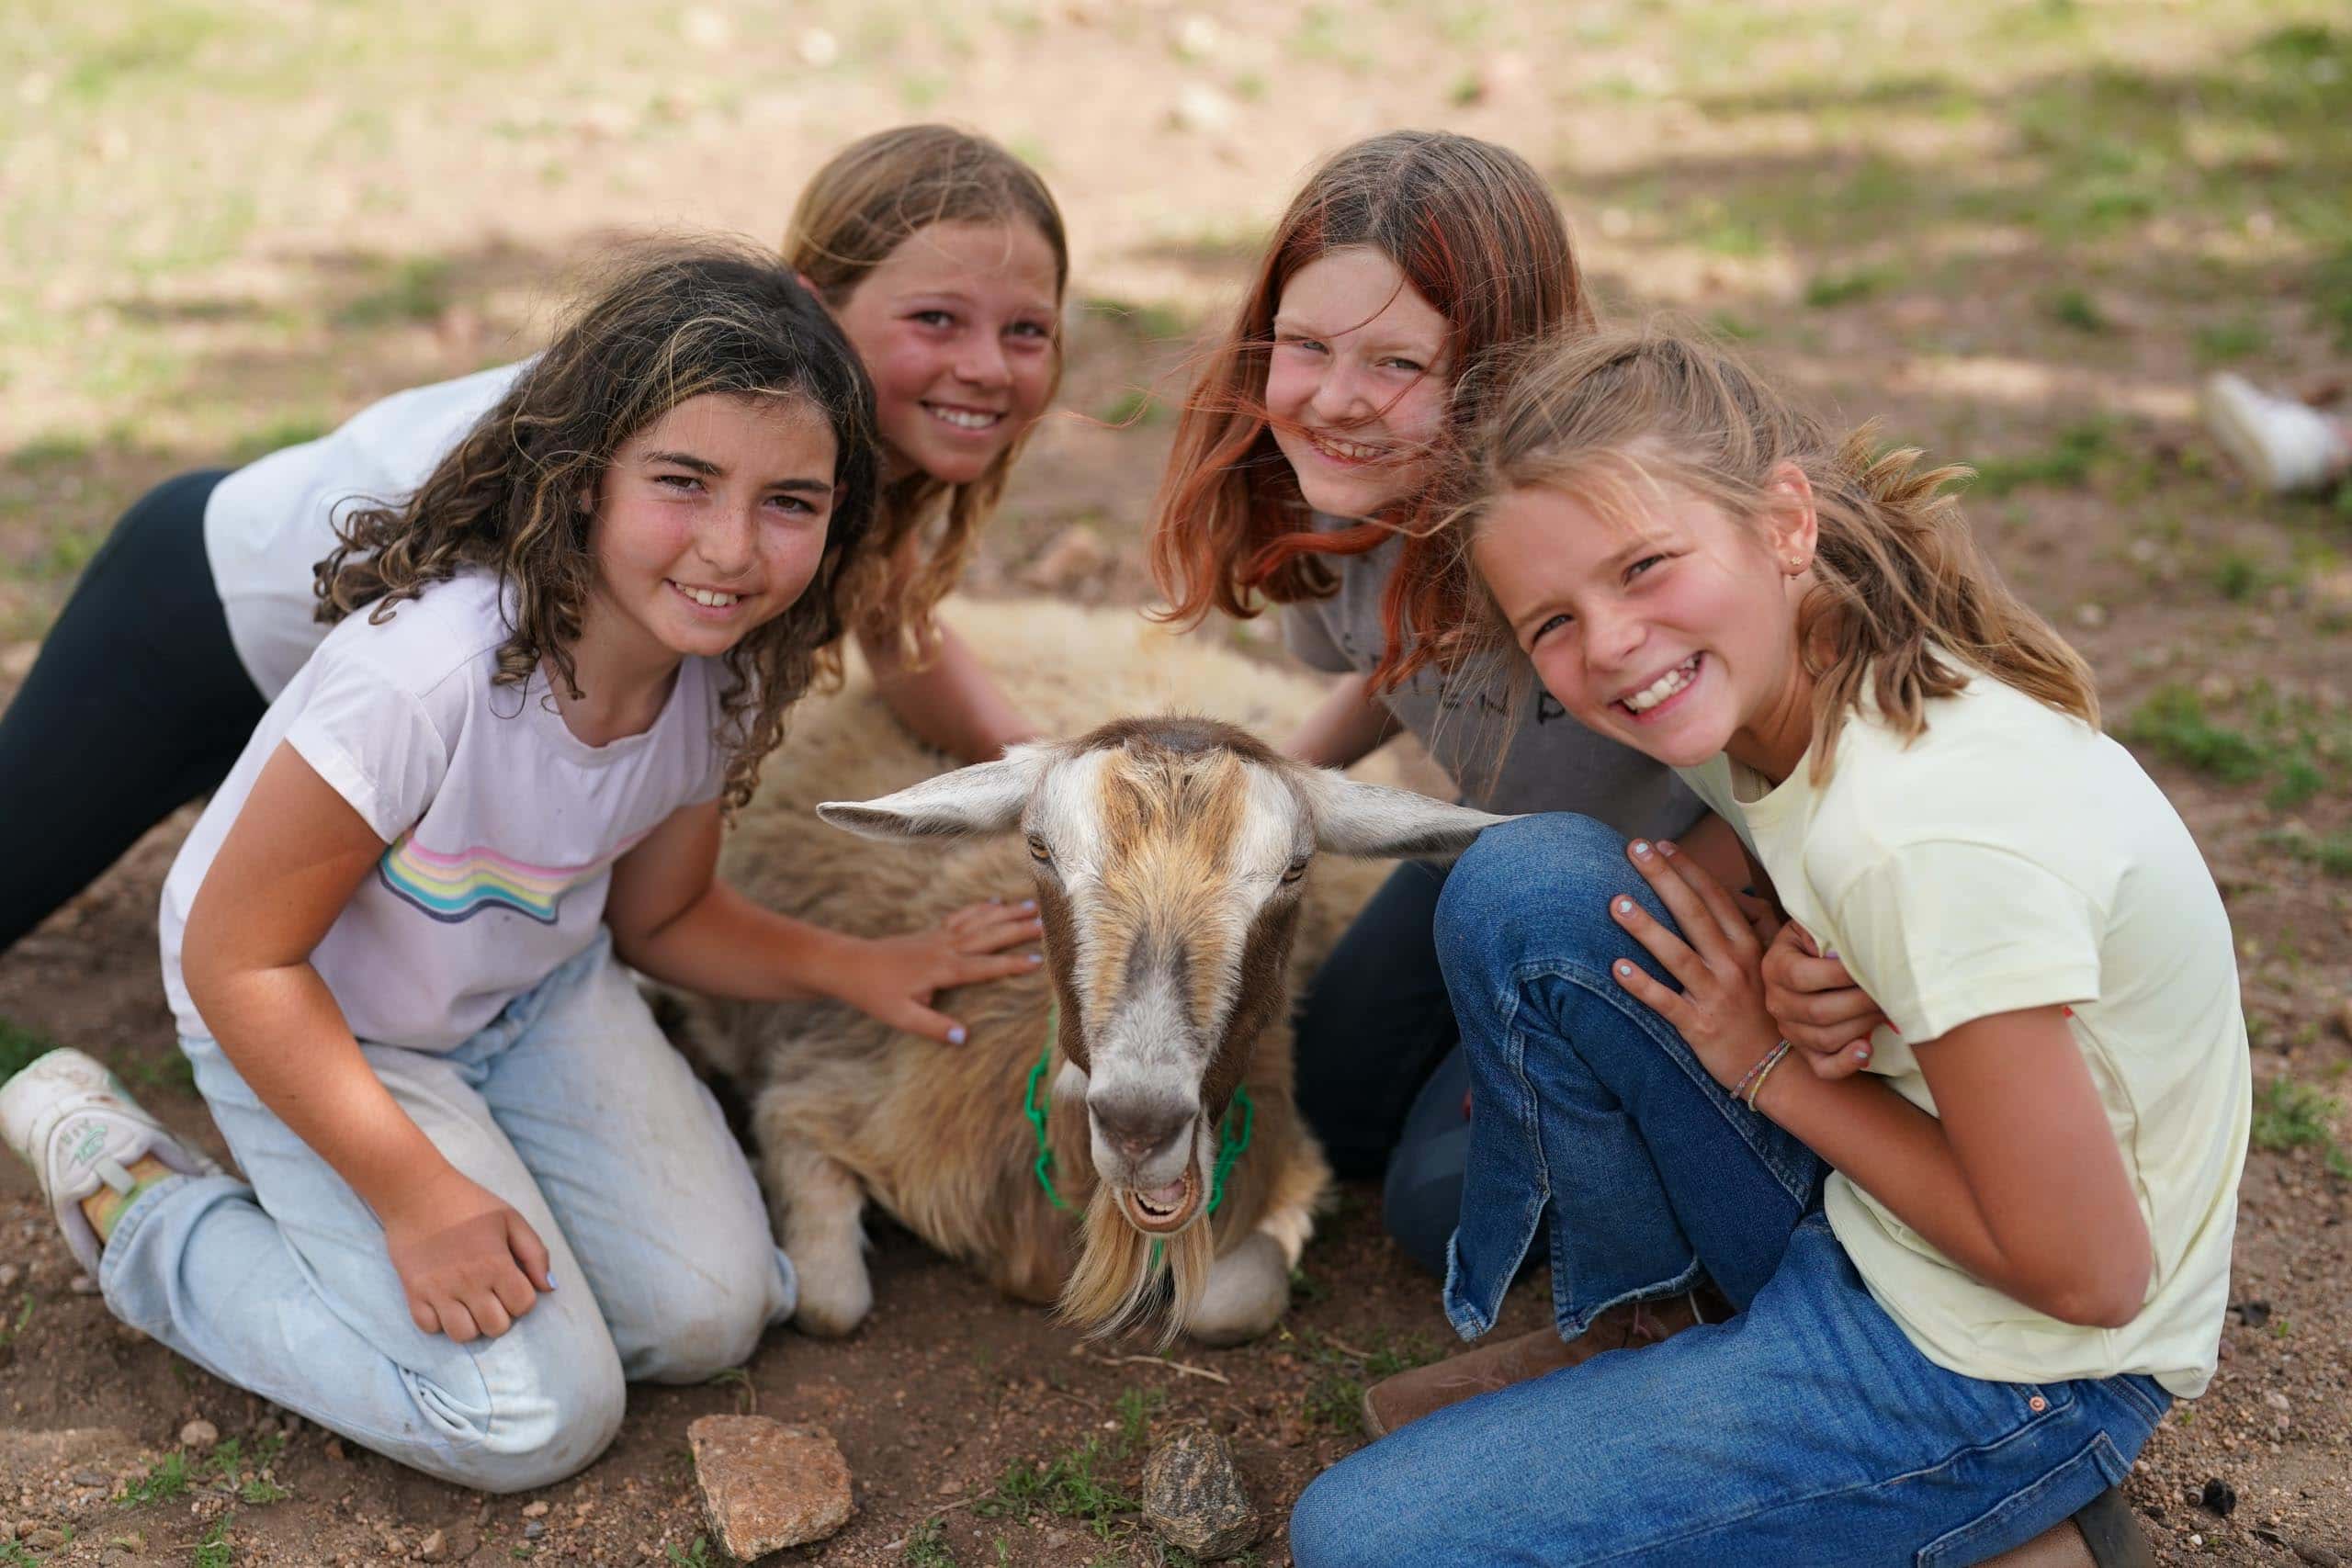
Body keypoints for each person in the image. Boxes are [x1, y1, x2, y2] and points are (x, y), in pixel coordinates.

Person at [0, 246, 1045, 1492]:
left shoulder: (722, 668)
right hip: (319, 1020)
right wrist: (414, 1191)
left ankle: (478, 1198)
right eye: (683, 481)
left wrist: (864, 966)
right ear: (582, 476)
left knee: (713, 1315)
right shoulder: (426, 674)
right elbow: (239, 955)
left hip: (531, 994)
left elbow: (665, 915)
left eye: (790, 501)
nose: (730, 546)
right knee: (529, 1416)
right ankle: (143, 1204)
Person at [1292, 326, 2250, 1563]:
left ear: (1784, 521)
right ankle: (1671, 1331)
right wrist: (1796, 933)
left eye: (1643, 567)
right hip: (1878, 1223)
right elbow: (1758, 848)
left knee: (1367, 1540)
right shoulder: (1771, 669)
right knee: (1527, 890)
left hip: (2019, 1357)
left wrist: (1767, 1068)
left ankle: (2006, 1500)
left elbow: (2089, 1277)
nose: (1616, 642)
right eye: (1556, 622)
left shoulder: (1919, 839)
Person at [0, 123, 1066, 954]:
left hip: (339, 687)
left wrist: (1058, 774)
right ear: (810, 305)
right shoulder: (643, 434)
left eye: (1027, 331)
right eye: (936, 320)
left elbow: (895, 621)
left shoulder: (821, 467)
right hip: (203, 614)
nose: (986, 366)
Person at [1149, 130, 1736, 1274]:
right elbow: (1398, 663)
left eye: (1396, 366)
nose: (1333, 399)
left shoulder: (1585, 538)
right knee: (1329, 1100)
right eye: (1305, 347)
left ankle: (1702, 1176)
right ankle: (1488, 1055)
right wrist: (1267, 789)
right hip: (1487, 853)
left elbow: (1769, 762)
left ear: (1499, 371)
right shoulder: (1351, 508)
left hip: (1655, 905)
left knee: (1442, 1211)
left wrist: (1647, 961)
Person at [2200, 371, 2351, 494]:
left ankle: (2289, 458)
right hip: (2306, 436)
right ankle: (2289, 461)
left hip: (2316, 441)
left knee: (2227, 387)